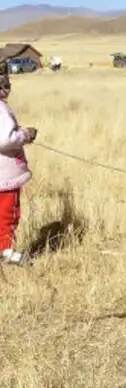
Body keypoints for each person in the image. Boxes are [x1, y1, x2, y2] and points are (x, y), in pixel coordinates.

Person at [0, 59, 37, 265]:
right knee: (8, 214)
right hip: (4, 176)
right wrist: (24, 135)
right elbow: (5, 139)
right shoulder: (1, 110)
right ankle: (5, 252)